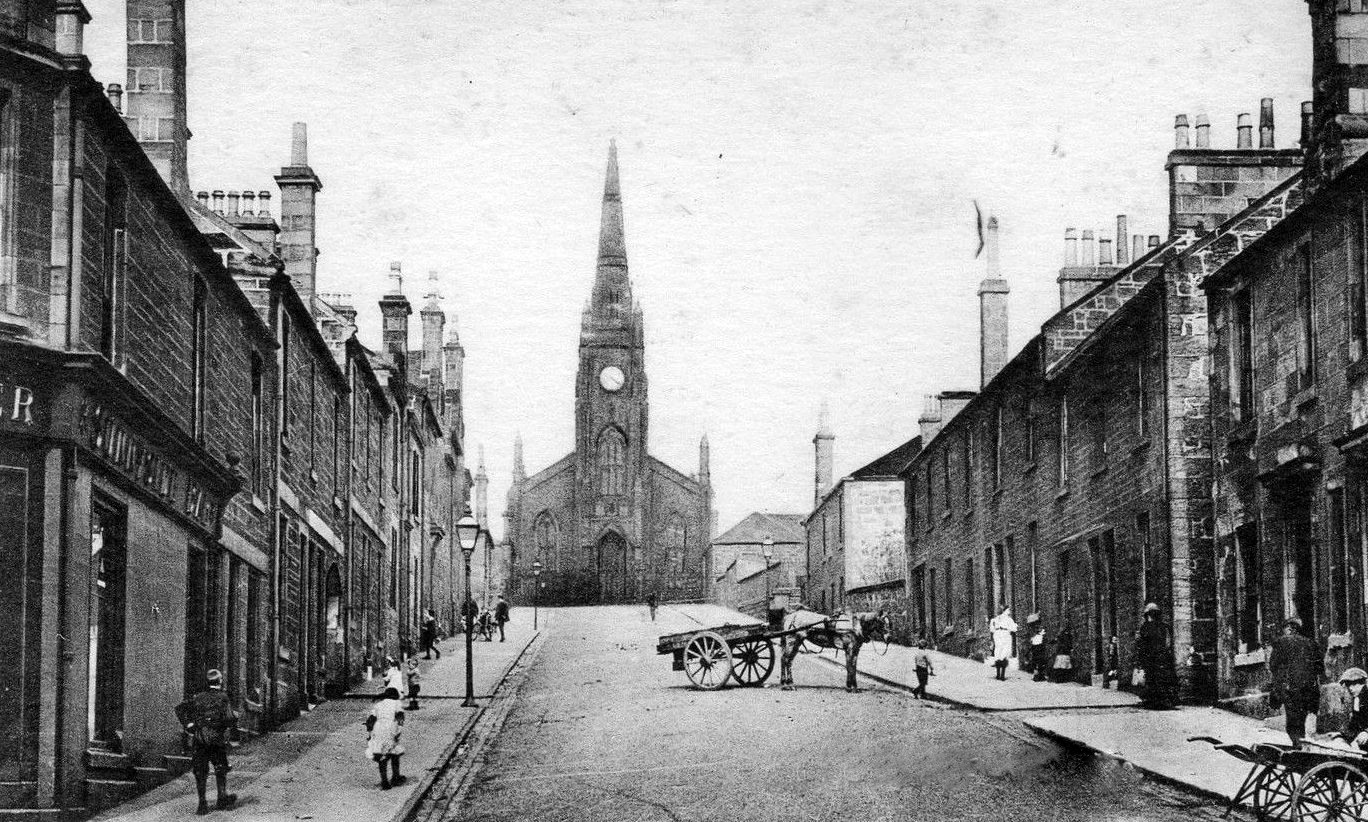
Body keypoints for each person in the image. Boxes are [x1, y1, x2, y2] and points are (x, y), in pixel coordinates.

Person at [175, 669, 239, 815]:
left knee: (200, 771)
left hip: (200, 738)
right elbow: (229, 718)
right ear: (220, 681)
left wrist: (189, 725)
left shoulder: (198, 697)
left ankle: (202, 804)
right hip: (216, 739)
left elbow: (179, 708)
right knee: (221, 767)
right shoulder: (223, 697)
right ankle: (221, 798)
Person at [1268, 616, 1324, 747]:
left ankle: (1298, 751)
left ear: (1288, 628)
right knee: (1303, 721)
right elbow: (1320, 668)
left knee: (1293, 724)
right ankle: (1301, 747)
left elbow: (1273, 666)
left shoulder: (1280, 642)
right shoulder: (1312, 643)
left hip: (1290, 690)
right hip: (1309, 690)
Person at [1136, 603, 1179, 709]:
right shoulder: (1165, 627)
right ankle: (1165, 701)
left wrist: (1140, 660)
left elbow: (1141, 645)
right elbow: (1168, 643)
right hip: (1163, 657)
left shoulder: (1144, 628)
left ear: (1147, 615)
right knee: (1164, 679)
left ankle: (1153, 702)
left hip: (1150, 658)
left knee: (1151, 679)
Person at [365, 687, 406, 790]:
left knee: (381, 754)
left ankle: (384, 781)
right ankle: (395, 777)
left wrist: (370, 734)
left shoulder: (378, 704)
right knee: (394, 753)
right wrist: (398, 731)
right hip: (390, 727)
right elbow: (400, 717)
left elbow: (370, 720)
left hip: (378, 728)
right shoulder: (397, 703)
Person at [1337, 667, 1368, 750]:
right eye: (1348, 685)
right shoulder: (1357, 699)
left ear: (1363, 683)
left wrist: (1366, 732)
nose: (1350, 688)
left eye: (1354, 684)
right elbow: (1354, 724)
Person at [989, 607, 1018, 681]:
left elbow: (992, 629)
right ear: (1004, 611)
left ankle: (998, 674)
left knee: (998, 653)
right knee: (1004, 653)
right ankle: (1002, 675)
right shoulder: (1009, 619)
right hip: (1005, 635)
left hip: (997, 635)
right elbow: (1014, 629)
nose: (1009, 611)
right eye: (1008, 610)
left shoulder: (995, 619)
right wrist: (1014, 626)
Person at [1025, 613, 1049, 681]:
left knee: (1037, 661)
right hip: (1038, 645)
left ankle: (1038, 675)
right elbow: (1040, 634)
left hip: (1036, 645)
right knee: (1039, 661)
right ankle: (1038, 675)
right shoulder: (1036, 629)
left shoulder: (1034, 629)